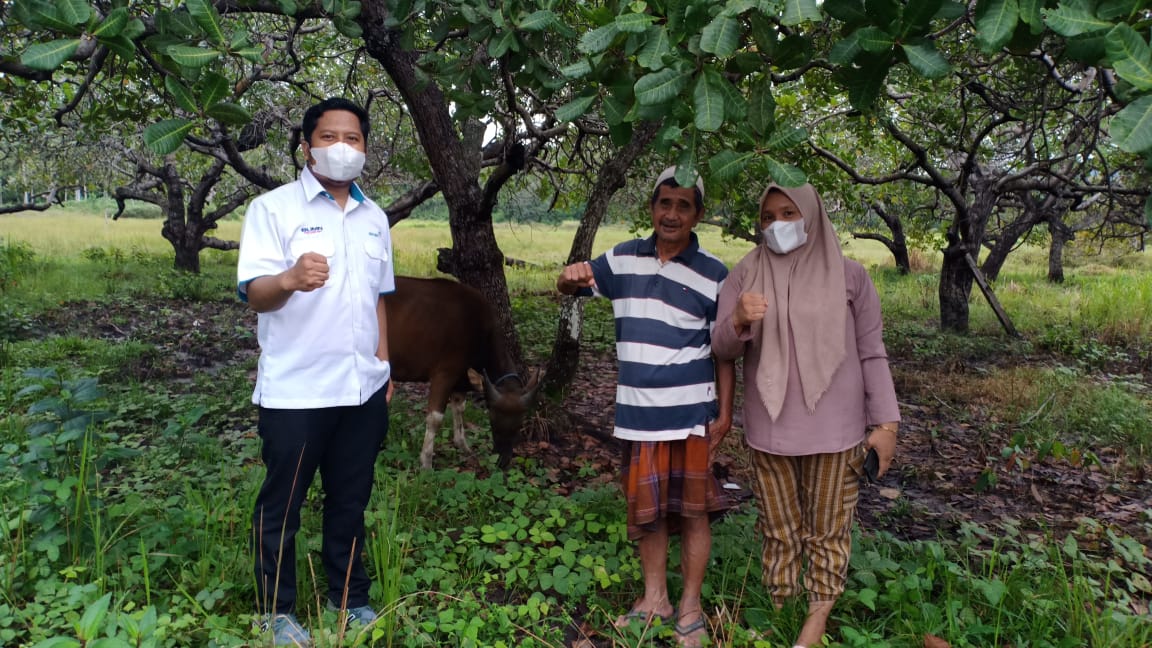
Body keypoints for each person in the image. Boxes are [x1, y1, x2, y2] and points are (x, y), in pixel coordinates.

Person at [711, 182, 900, 648]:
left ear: (811, 215)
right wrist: (738, 320)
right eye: (768, 216)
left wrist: (886, 424)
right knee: (777, 529)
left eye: (788, 213)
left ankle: (816, 618)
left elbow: (872, 352)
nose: (777, 225)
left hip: (837, 431)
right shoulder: (745, 274)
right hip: (770, 431)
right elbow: (722, 349)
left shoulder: (850, 276)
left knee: (828, 530)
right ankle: (781, 607)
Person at [237, 97, 395, 645]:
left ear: (365, 148)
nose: (341, 148)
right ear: (306, 147)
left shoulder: (375, 218)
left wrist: (384, 363)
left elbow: (379, 297)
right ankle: (275, 611)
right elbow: (255, 295)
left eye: (352, 138)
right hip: (297, 391)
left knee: (350, 500)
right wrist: (288, 279)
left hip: (362, 389)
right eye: (329, 137)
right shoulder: (273, 210)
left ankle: (349, 599)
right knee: (282, 505)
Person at [557, 166, 735, 648]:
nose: (672, 214)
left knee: (694, 512)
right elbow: (571, 285)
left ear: (698, 214)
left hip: (689, 414)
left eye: (683, 206)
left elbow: (724, 351)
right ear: (651, 207)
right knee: (647, 514)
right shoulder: (622, 259)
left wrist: (725, 414)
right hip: (637, 416)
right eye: (664, 203)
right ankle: (655, 599)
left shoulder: (715, 274)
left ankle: (690, 608)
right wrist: (568, 277)